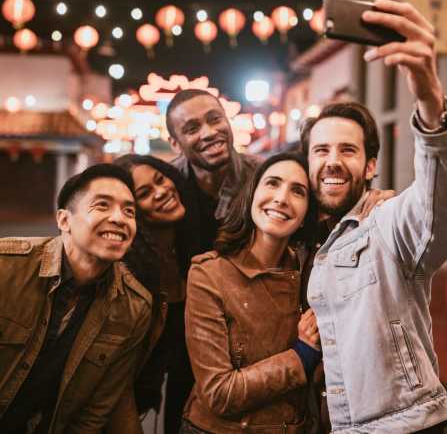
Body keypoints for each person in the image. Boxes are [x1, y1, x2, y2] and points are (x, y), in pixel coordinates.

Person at [301, 0, 447, 433]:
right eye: (321, 150)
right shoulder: (304, 238)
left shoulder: (386, 223)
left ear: (371, 165)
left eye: (348, 150)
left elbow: (445, 198)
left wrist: (429, 95)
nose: (332, 161)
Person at [0, 164, 151, 434]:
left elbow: (96, 410)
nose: (119, 218)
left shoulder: (134, 307)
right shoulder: (7, 266)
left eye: (129, 211)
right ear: (63, 220)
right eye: (102, 205)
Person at [181, 152, 321, 433]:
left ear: (307, 213)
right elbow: (218, 393)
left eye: (297, 191)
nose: (281, 198)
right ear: (251, 195)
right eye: (272, 183)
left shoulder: (313, 270)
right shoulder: (209, 274)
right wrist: (301, 356)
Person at [107, 154, 201, 434]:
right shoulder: (126, 271)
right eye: (145, 193)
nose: (162, 192)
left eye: (160, 180)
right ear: (133, 210)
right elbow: (116, 376)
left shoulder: (192, 250)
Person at [166, 88, 259, 252]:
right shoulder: (165, 184)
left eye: (215, 119)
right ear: (175, 144)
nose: (209, 133)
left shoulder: (261, 175)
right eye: (192, 129)